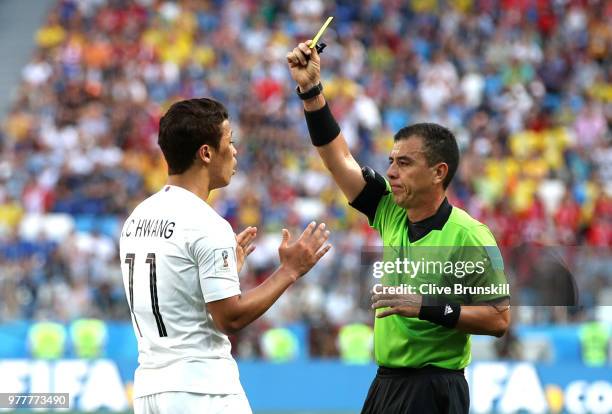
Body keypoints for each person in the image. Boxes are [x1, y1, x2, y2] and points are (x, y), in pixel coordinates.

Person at [287, 41, 510, 413]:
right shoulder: (389, 209)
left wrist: (425, 308)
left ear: (439, 173)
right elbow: (338, 158)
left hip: (435, 386)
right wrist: (311, 91)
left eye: (404, 163)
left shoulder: (471, 236)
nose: (391, 171)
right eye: (391, 160)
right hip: (386, 382)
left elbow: (499, 318)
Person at [119, 98, 331, 414]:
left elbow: (177, 289)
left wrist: (223, 272)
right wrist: (289, 270)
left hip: (150, 389)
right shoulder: (207, 223)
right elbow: (230, 317)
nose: (234, 151)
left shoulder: (137, 217)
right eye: (229, 142)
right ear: (206, 153)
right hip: (203, 390)